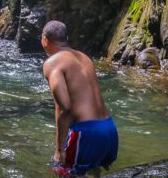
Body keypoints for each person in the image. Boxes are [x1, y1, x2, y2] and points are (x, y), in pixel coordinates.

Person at [41, 20, 118, 177]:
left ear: (45, 40)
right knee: (92, 172)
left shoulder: (52, 63)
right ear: (66, 38)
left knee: (62, 172)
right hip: (109, 129)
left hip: (87, 133)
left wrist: (59, 149)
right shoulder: (84, 57)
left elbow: (65, 108)